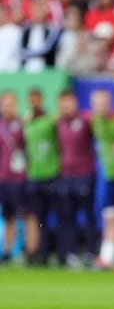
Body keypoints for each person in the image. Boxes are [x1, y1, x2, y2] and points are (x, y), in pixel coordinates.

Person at [54, 89, 98, 268]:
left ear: (75, 103)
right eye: (63, 103)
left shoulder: (86, 121)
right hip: (66, 175)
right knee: (66, 217)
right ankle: (69, 253)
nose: (66, 106)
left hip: (85, 174)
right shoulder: (57, 124)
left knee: (88, 215)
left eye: (69, 102)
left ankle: (90, 252)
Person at [90, 88, 114, 269]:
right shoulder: (94, 122)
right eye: (97, 104)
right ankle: (107, 257)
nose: (100, 107)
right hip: (110, 178)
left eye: (103, 103)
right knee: (110, 218)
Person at [22, 88, 59, 265]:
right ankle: (38, 253)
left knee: (54, 216)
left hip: (51, 174)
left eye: (37, 99)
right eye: (32, 99)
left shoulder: (50, 120)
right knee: (36, 218)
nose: (34, 102)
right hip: (33, 176)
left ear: (42, 100)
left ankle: (56, 252)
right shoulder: (27, 123)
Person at [0, 91, 36, 264]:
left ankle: (31, 251)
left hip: (20, 178)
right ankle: (7, 252)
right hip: (3, 178)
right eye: (5, 104)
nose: (8, 107)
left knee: (27, 215)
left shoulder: (22, 124)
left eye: (11, 104)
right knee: (9, 217)